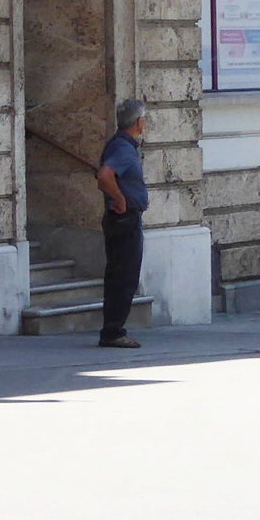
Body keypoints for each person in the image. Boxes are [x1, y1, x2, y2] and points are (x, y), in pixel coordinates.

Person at [94, 98, 148, 350]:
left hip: (124, 220)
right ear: (139, 122)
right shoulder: (123, 148)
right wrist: (120, 199)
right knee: (124, 276)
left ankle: (113, 329)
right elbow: (104, 175)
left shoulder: (122, 145)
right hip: (124, 220)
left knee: (121, 275)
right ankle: (113, 331)